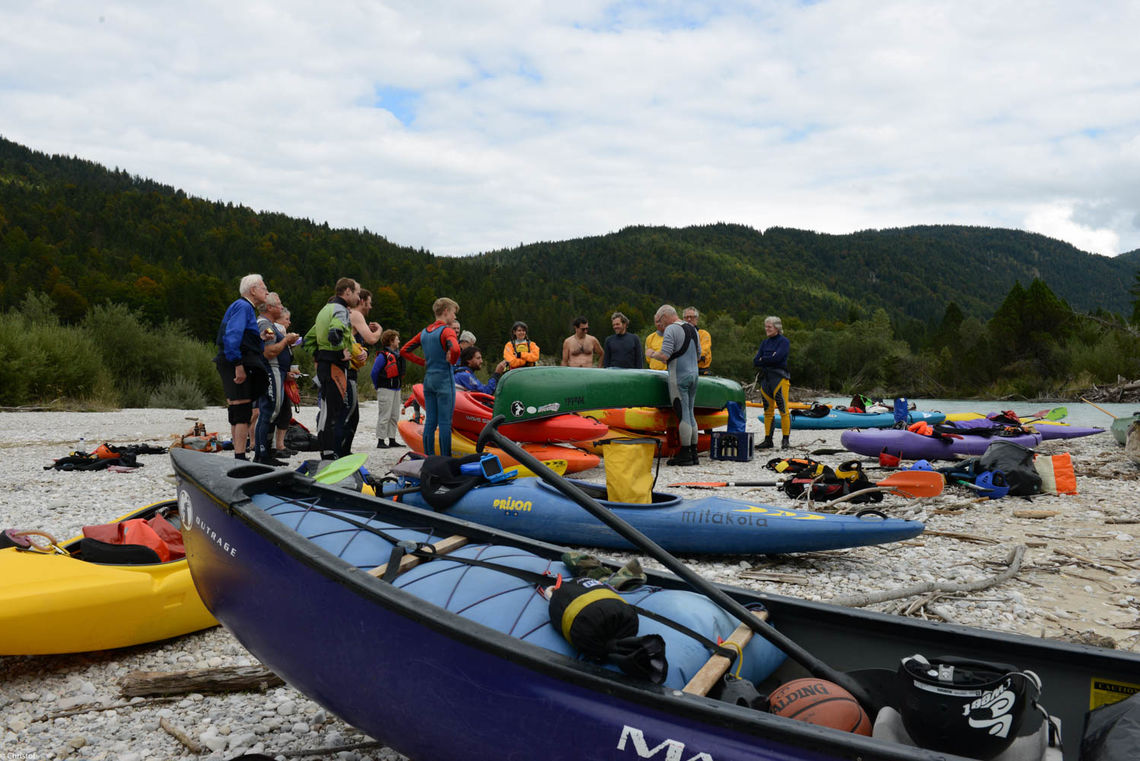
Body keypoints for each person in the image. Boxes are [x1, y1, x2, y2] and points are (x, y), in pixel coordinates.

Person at [214, 274, 271, 462]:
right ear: (253, 290)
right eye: (264, 288)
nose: (267, 291)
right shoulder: (243, 306)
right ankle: (240, 457)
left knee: (238, 408)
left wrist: (260, 339)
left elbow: (241, 336)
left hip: (233, 360)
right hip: (235, 362)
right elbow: (232, 336)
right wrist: (238, 364)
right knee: (241, 409)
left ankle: (239, 453)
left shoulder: (244, 308)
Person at [401, 297, 462, 456]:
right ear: (446, 311)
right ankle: (445, 459)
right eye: (454, 313)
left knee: (430, 422)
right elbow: (455, 349)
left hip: (428, 381)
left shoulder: (424, 332)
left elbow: (404, 350)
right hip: (444, 380)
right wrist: (453, 360)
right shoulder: (447, 330)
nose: (454, 317)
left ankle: (428, 457)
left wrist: (423, 362)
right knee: (444, 424)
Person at [309, 277, 360, 459]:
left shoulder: (326, 309)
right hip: (334, 367)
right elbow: (334, 333)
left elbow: (309, 339)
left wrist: (319, 356)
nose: (358, 297)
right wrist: (339, 354)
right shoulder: (340, 309)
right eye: (356, 293)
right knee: (332, 411)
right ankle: (328, 453)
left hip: (325, 366)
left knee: (329, 410)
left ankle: (327, 451)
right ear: (347, 292)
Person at [646, 305, 701, 466]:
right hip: (694, 375)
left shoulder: (671, 330)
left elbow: (664, 356)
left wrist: (651, 354)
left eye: (659, 321)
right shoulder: (693, 329)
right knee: (690, 412)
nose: (660, 325)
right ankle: (694, 452)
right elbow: (698, 355)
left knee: (682, 413)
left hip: (679, 376)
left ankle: (684, 453)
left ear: (665, 317)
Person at [255, 293, 300, 464]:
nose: (281, 307)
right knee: (270, 411)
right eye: (279, 304)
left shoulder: (270, 325)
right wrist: (286, 341)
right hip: (271, 370)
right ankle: (262, 454)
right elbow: (268, 352)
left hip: (277, 371)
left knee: (272, 412)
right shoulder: (265, 325)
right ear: (270, 307)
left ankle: (266, 453)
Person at [342, 288, 382, 454]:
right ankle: (342, 451)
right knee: (350, 415)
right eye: (369, 303)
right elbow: (372, 339)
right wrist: (379, 329)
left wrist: (362, 351)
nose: (370, 307)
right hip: (346, 371)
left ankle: (341, 450)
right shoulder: (356, 314)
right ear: (363, 301)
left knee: (350, 414)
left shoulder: (348, 314)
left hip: (346, 369)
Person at [753, 315, 792, 449]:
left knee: (783, 410)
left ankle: (785, 440)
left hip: (780, 379)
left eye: (769, 327)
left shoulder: (784, 342)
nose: (766, 329)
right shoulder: (765, 343)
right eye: (766, 327)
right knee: (767, 411)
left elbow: (778, 358)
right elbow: (755, 361)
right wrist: (770, 357)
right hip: (766, 379)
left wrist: (764, 359)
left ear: (777, 328)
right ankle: (768, 440)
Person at [371, 329, 405, 449]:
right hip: (385, 388)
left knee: (394, 415)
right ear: (391, 341)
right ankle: (381, 440)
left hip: (396, 389)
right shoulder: (383, 355)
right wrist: (377, 386)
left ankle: (392, 439)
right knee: (385, 415)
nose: (399, 341)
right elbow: (374, 372)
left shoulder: (397, 355)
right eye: (397, 339)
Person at [683, 307, 713, 375]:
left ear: (697, 319)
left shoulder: (704, 334)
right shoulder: (679, 334)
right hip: (683, 370)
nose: (689, 319)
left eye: (692, 317)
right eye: (686, 317)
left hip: (700, 371)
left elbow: (703, 351)